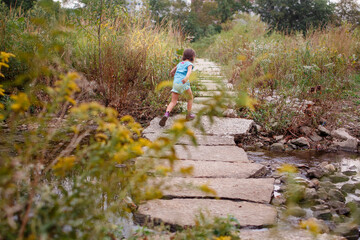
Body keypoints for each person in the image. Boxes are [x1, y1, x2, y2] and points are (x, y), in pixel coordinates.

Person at [159, 48, 196, 127]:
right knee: (190, 97)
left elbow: (172, 72)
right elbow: (189, 71)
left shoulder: (180, 63)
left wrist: (173, 74)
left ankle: (166, 114)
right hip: (183, 82)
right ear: (192, 57)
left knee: (173, 102)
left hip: (176, 83)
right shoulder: (189, 64)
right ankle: (188, 114)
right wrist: (186, 78)